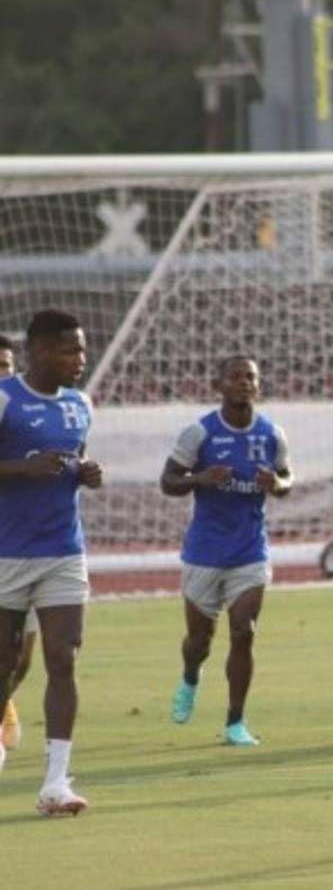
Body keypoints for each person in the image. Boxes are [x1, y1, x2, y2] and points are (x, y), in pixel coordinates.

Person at [0, 309, 102, 815]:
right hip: (7, 552)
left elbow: (70, 460)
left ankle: (56, 782)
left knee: (63, 658)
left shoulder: (81, 405)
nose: (81, 358)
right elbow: (28, 467)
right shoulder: (5, 399)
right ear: (39, 350)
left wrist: (85, 473)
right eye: (70, 349)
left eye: (82, 349)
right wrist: (24, 468)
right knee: (6, 664)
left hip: (63, 549)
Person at [161, 356, 293, 746]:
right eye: (235, 377)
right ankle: (190, 677)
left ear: (259, 384)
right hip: (204, 553)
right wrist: (201, 478)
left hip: (250, 552)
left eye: (251, 376)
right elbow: (168, 480)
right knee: (199, 641)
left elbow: (287, 476)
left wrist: (277, 484)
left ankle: (236, 721)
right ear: (219, 384)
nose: (244, 382)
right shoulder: (200, 433)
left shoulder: (271, 434)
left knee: (243, 631)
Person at [0, 334, 39, 753]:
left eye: (6, 367)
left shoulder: (26, 424)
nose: (2, 375)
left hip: (21, 548)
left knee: (22, 658)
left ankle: (5, 699)